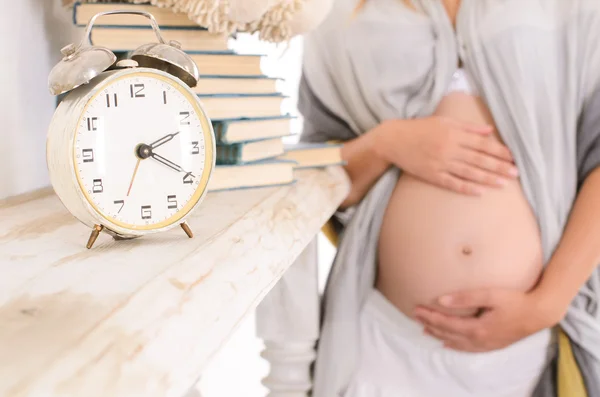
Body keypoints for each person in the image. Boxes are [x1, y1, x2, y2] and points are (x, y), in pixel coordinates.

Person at [297, 0, 600, 396]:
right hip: (386, 345)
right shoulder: (335, 14)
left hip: (529, 348)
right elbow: (315, 171)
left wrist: (546, 304)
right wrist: (386, 143)